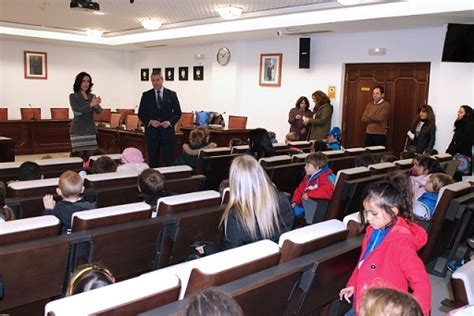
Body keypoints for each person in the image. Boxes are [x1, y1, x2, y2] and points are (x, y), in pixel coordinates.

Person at [339, 179, 431, 315]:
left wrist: (420, 311)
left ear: (393, 211)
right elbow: (363, 263)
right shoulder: (373, 231)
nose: (368, 218)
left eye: (374, 213)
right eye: (366, 212)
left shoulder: (401, 242)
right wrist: (353, 284)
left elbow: (421, 280)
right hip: (364, 301)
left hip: (383, 309)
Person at [195, 155, 294, 254]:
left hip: (250, 265)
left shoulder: (236, 217)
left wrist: (207, 249)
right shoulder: (284, 199)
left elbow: (228, 254)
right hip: (275, 260)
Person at [138, 70, 182, 167]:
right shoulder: (146, 95)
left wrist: (170, 122)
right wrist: (150, 122)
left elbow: (178, 113)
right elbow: (141, 113)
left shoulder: (171, 94)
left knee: (169, 160)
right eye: (153, 80)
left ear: (162, 80)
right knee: (153, 161)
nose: (155, 82)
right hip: (152, 134)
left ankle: (170, 181)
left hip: (167, 134)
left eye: (157, 80)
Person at [291, 153, 335, 223]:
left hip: (316, 209)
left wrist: (309, 194)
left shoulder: (324, 177)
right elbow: (300, 190)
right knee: (291, 209)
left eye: (308, 165)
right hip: (306, 204)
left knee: (292, 214)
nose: (305, 167)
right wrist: (295, 201)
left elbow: (328, 191)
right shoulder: (308, 177)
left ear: (317, 167)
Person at [69, 72, 102, 154]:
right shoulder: (73, 96)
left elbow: (99, 111)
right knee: (79, 156)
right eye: (83, 81)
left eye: (88, 81)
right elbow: (77, 112)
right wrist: (91, 105)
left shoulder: (92, 96)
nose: (86, 83)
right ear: (78, 82)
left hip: (90, 131)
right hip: (78, 131)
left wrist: (95, 105)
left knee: (92, 156)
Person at [447, 105, 474, 179]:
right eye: (458, 111)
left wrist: (453, 149)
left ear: (467, 114)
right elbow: (454, 140)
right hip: (456, 155)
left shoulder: (470, 126)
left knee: (458, 179)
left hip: (463, 157)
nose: (458, 113)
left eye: (461, 112)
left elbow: (464, 143)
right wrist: (448, 151)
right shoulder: (460, 124)